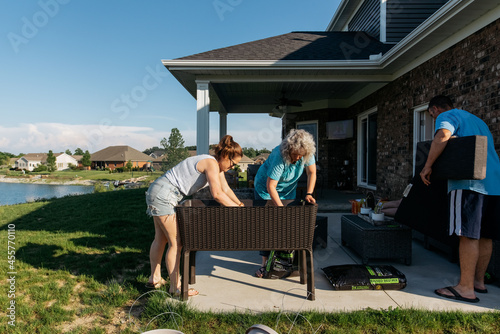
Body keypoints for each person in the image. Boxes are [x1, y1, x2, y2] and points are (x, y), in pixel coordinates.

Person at [420, 95, 500, 303]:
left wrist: (427, 166)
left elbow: (443, 136)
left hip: (468, 183)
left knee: (467, 234)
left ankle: (465, 288)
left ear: (436, 109)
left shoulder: (447, 116)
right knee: (485, 236)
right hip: (493, 183)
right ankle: (478, 282)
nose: (433, 118)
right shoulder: (478, 121)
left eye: (431, 115)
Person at [145, 135, 244, 297]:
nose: (232, 167)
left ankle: (154, 278)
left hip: (158, 190)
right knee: (177, 243)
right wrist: (237, 211)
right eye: (232, 163)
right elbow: (217, 194)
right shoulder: (211, 164)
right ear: (225, 156)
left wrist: (239, 204)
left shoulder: (216, 166)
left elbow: (226, 190)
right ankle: (176, 288)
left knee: (161, 238)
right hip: (165, 194)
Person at [253, 129, 317, 277]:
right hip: (265, 191)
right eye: (296, 155)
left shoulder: (306, 153)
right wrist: (281, 210)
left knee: (286, 226)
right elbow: (271, 186)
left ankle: (285, 262)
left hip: (288, 192)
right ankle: (264, 265)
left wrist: (308, 193)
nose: (299, 158)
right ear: (289, 150)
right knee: (267, 226)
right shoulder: (279, 156)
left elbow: (312, 172)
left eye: (302, 155)